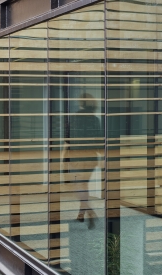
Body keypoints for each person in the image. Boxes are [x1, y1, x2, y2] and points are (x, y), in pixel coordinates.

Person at [62, 92, 102, 229]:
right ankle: (82, 213)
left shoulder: (73, 118)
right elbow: (99, 141)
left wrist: (62, 157)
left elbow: (67, 140)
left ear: (81, 103)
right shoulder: (95, 119)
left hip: (76, 156)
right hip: (91, 157)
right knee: (84, 185)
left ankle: (89, 211)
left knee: (80, 185)